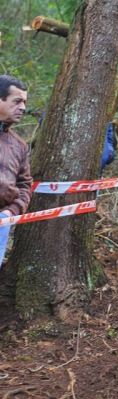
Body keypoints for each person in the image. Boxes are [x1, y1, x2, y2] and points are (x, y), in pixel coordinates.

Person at [0, 75, 33, 265]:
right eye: (17, 101)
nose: (23, 108)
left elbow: (25, 185)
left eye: (24, 102)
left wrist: (10, 212)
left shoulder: (19, 145)